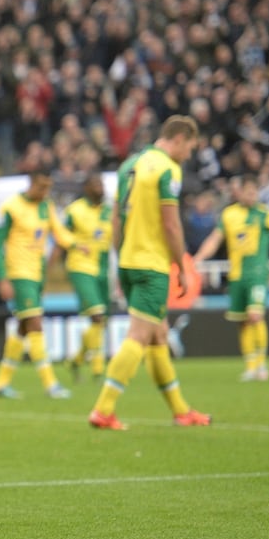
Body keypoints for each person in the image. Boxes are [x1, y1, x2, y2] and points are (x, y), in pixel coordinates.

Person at [89, 115, 211, 430]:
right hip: (152, 264)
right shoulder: (168, 169)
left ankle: (181, 411)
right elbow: (170, 223)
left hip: (129, 260)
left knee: (158, 336)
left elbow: (116, 218)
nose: (188, 155)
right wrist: (181, 266)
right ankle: (103, 409)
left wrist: (120, 260)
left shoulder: (130, 164)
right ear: (180, 138)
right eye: (190, 148)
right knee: (140, 336)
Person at [0, 171, 75, 399]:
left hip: (37, 274)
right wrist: (2, 276)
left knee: (23, 327)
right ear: (31, 185)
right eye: (41, 187)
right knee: (35, 324)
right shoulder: (11, 207)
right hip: (19, 273)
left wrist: (79, 243)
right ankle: (51, 384)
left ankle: (0, 383)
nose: (44, 192)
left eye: (48, 188)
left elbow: (60, 233)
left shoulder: (45, 207)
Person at [192, 176, 269, 382]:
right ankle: (250, 365)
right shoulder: (229, 214)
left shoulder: (265, 214)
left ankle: (261, 364)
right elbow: (215, 239)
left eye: (255, 192)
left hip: (258, 274)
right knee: (242, 321)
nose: (252, 196)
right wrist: (197, 258)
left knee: (255, 316)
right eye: (248, 192)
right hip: (237, 275)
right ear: (239, 192)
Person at [51, 174, 113, 382]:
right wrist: (52, 267)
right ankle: (98, 369)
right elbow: (61, 236)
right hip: (80, 266)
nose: (100, 187)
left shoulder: (108, 210)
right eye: (96, 184)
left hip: (103, 267)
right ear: (86, 188)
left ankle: (76, 361)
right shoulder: (75, 210)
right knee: (97, 314)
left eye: (101, 184)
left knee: (101, 320)